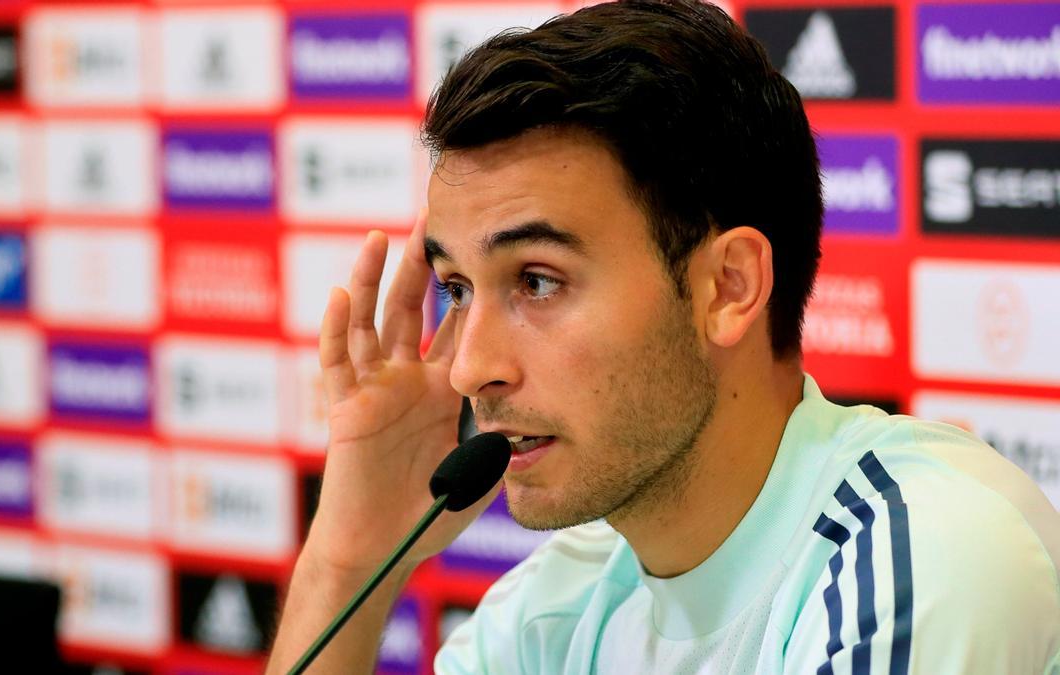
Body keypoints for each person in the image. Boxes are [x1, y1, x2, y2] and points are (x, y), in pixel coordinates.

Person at [267, 0, 1060, 672]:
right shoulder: (556, 611)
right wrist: (348, 561)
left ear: (728, 287)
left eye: (537, 282)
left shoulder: (920, 554)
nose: (471, 368)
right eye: (458, 289)